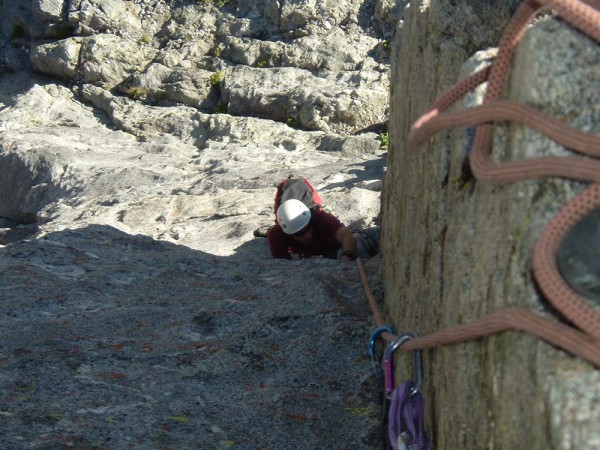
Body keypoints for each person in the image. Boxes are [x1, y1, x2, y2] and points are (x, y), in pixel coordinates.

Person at [267, 199, 375, 261]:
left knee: (358, 245)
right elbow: (282, 265)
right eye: (299, 234)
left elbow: (348, 237)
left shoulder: (322, 218)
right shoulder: (277, 235)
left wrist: (346, 256)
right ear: (289, 234)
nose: (307, 236)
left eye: (308, 229)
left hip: (336, 249)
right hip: (311, 257)